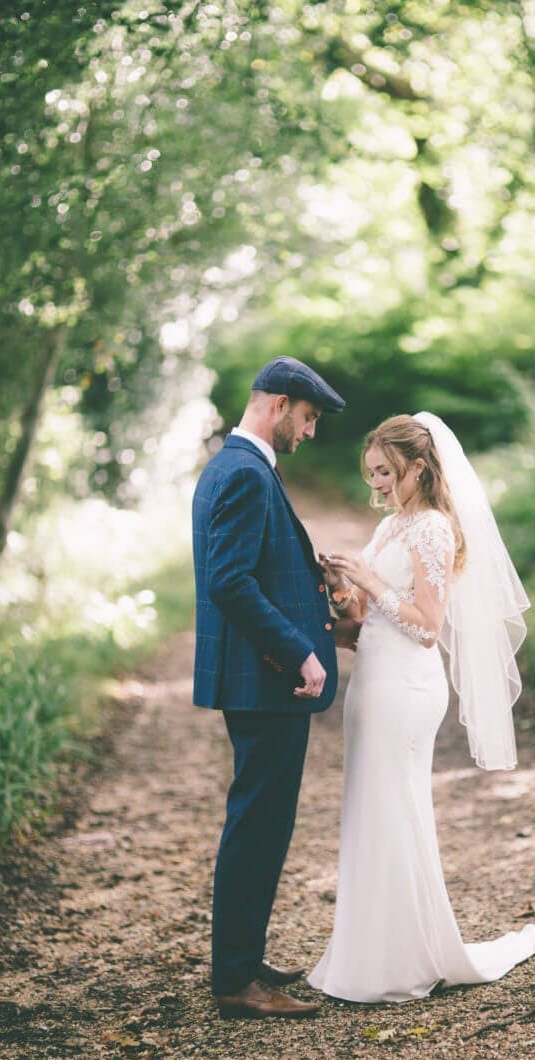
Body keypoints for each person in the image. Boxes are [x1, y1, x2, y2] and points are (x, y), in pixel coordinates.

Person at [308, 413, 535, 1003]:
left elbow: (428, 627)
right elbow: (365, 619)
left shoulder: (433, 529)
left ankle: (402, 960)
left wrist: (370, 583)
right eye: (372, 474)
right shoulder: (390, 528)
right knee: (370, 810)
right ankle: (369, 954)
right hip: (374, 681)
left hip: (407, 687)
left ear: (417, 466)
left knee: (397, 809)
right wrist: (340, 590)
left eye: (386, 472)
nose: (378, 484)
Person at [192, 355, 349, 1020]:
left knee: (261, 822)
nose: (309, 432)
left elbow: (253, 568)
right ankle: (234, 981)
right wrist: (298, 654)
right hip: (265, 680)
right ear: (280, 404)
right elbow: (230, 581)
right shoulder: (247, 473)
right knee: (258, 826)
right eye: (309, 418)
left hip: (258, 679)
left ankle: (243, 959)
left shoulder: (235, 466)